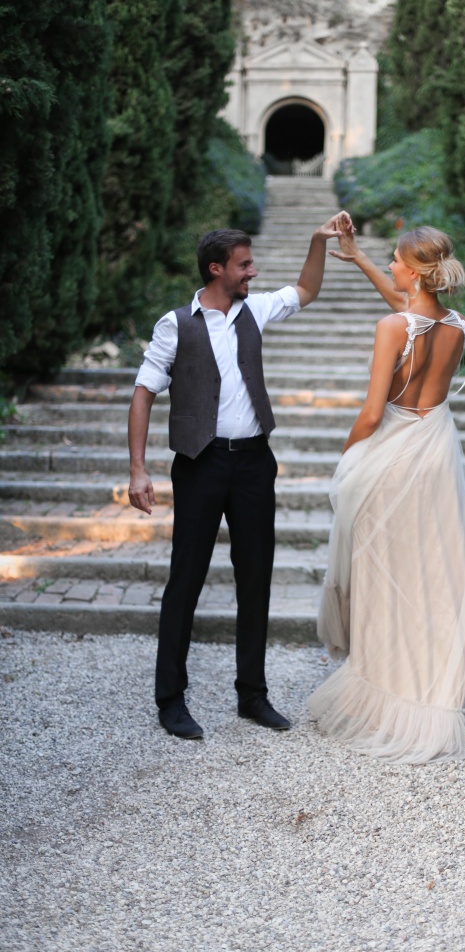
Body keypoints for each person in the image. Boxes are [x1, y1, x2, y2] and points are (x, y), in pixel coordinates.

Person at [307, 221, 465, 763]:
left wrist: (348, 457)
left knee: (386, 575)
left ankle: (390, 693)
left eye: (395, 261)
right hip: (437, 452)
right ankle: (436, 687)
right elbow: (410, 310)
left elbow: (372, 413)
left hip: (393, 456)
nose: (390, 267)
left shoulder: (391, 327)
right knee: (435, 572)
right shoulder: (456, 325)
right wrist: (359, 258)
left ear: (415, 272)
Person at [128, 215, 345, 739]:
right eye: (244, 265)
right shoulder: (175, 324)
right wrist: (138, 469)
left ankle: (252, 695)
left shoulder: (257, 309)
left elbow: (307, 289)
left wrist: (317, 240)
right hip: (199, 464)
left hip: (253, 464)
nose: (253, 272)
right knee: (186, 579)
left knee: (255, 577)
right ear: (216, 269)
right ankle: (170, 700)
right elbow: (143, 393)